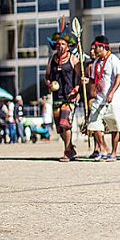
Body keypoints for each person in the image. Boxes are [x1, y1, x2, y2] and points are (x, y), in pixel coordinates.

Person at [45, 26, 81, 161]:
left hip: (69, 97)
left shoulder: (73, 59)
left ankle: (67, 151)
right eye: (58, 44)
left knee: (65, 123)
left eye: (63, 44)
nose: (60, 46)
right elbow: (47, 76)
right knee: (59, 128)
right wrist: (49, 84)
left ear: (68, 46)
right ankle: (70, 147)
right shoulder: (52, 60)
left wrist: (77, 90)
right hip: (57, 97)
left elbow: (80, 76)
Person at [86, 35, 120, 161]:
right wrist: (89, 88)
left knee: (114, 125)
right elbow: (93, 79)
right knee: (93, 124)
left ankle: (113, 153)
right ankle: (103, 148)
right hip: (99, 97)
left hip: (113, 97)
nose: (93, 50)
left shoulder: (114, 60)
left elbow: (119, 77)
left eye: (96, 47)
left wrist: (112, 93)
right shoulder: (96, 62)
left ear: (103, 47)